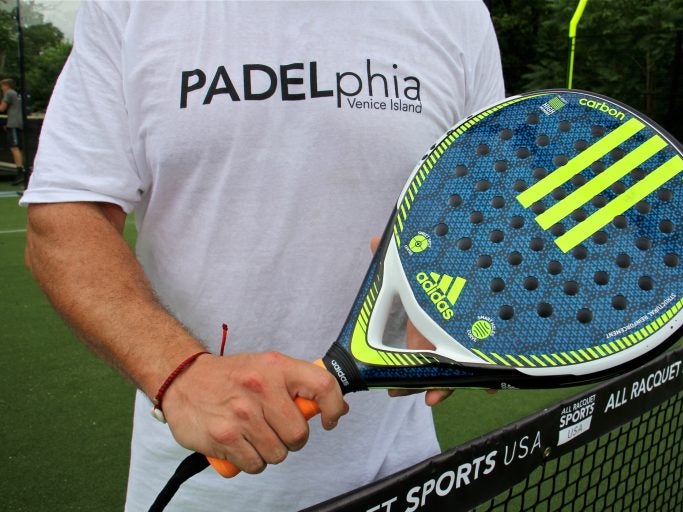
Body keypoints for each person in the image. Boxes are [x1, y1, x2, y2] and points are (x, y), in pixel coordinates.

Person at [21, 1, 504, 510]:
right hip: (203, 484)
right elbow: (66, 219)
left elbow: (485, 205)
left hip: (405, 476)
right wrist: (180, 372)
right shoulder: (128, 8)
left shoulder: (456, 11)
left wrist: (467, 288)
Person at [0, 78, 26, 187]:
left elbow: (1, 108)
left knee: (14, 147)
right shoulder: (16, 94)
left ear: (6, 85)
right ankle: (22, 170)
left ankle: (20, 172)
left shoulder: (9, 93)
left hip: (14, 123)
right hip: (18, 123)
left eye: (2, 86)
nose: (1, 88)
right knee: (18, 148)